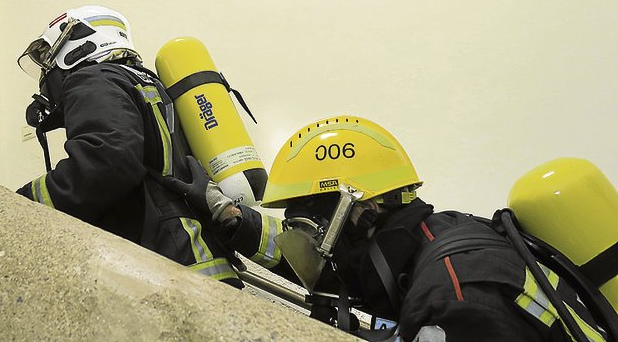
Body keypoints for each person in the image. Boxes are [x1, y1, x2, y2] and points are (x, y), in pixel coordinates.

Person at [165, 115, 607, 341]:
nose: (315, 250)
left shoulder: (452, 300)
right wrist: (235, 222)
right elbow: (336, 274)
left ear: (356, 211)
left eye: (309, 229)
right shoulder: (442, 239)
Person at [15, 5, 241, 287]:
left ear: (77, 46)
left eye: (49, 59)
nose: (46, 74)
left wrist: (23, 204)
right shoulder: (145, 83)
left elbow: (108, 161)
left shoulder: (93, 79)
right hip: (201, 260)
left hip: (165, 269)